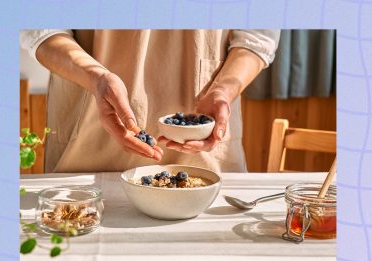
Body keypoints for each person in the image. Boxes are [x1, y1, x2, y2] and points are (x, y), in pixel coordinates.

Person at [20, 30, 280, 173]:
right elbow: (41, 28)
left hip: (205, 160)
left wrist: (223, 90)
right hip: (86, 148)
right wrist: (96, 77)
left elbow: (257, 37)